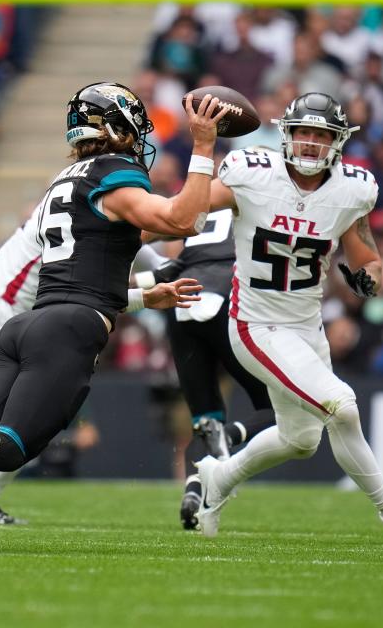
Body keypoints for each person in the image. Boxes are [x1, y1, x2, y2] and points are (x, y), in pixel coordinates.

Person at [194, 92, 383, 542]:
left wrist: (368, 278)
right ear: (286, 135)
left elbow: (366, 257)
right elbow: (191, 211)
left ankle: (216, 479)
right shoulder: (252, 175)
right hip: (256, 324)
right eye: (303, 133)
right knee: (342, 405)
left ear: (338, 141)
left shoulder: (352, 189)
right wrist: (202, 149)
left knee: (300, 440)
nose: (311, 143)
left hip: (307, 325)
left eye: (321, 135)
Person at [0, 82, 225, 477]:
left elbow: (94, 270)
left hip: (24, 325)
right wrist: (203, 148)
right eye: (134, 129)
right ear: (117, 129)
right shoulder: (116, 173)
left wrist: (146, 296)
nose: (139, 139)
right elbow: (186, 220)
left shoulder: (68, 178)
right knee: (4, 451)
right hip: (64, 328)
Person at [0, 199, 201, 524]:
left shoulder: (91, 215)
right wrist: (153, 283)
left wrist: (163, 272)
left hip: (12, 321)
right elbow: (89, 296)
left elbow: (152, 270)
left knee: (34, 419)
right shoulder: (89, 228)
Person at [136, 209, 275, 530]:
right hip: (229, 300)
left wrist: (108, 287)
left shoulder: (200, 222)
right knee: (278, 409)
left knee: (205, 421)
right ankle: (227, 437)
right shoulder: (259, 207)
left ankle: (194, 495)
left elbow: (159, 276)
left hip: (183, 304)